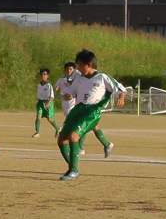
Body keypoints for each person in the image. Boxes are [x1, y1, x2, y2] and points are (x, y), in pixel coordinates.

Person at [57, 49, 125, 180]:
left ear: (89, 64)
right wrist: (67, 96)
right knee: (61, 139)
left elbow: (120, 89)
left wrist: (121, 98)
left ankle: (73, 170)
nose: (78, 68)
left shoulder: (102, 77)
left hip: (92, 112)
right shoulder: (79, 78)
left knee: (73, 136)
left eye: (80, 65)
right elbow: (68, 92)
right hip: (77, 109)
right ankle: (73, 168)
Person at [33, 68, 60, 138]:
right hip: (40, 102)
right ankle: (37, 132)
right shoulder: (39, 85)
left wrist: (49, 102)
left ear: (48, 76)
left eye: (45, 74)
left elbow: (52, 96)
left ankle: (58, 128)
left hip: (47, 102)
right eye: (41, 74)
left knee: (50, 119)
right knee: (38, 116)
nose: (43, 76)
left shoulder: (48, 85)